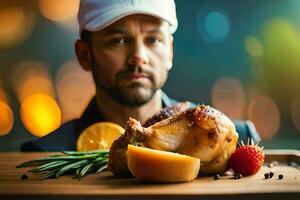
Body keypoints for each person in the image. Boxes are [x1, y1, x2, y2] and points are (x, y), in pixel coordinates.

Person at [21, 0, 260, 151]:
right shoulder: (45, 155)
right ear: (85, 55)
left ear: (170, 52)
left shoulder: (234, 141)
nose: (139, 56)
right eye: (118, 40)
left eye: (153, 40)